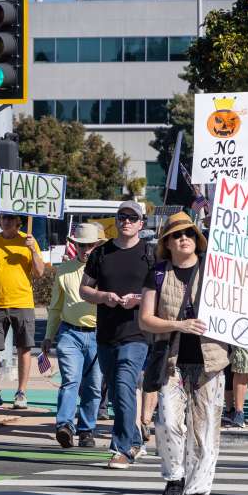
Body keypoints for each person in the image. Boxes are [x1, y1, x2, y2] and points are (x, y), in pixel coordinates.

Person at [140, 212, 235, 495]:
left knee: (205, 428)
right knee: (167, 421)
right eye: (177, 235)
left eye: (190, 234)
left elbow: (245, 303)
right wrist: (178, 326)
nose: (184, 239)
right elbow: (146, 319)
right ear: (167, 242)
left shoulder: (214, 270)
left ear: (197, 240)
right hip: (172, 360)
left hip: (211, 361)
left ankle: (198, 490)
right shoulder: (157, 273)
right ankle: (174, 478)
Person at [81, 200, 152, 469]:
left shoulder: (150, 253)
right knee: (116, 390)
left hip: (137, 332)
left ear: (141, 224)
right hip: (106, 333)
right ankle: (135, 439)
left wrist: (140, 299)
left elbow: (161, 291)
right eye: (122, 217)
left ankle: (121, 449)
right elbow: (84, 290)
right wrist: (103, 296)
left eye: (132, 218)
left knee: (123, 385)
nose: (126, 221)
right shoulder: (102, 253)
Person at [43, 223, 105, 448]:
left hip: (99, 334)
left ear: (97, 246)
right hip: (70, 333)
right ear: (75, 246)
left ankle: (86, 430)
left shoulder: (105, 268)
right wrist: (48, 336)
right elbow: (56, 307)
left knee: (94, 385)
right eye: (81, 245)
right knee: (70, 380)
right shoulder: (64, 269)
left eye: (90, 245)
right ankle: (64, 425)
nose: (86, 250)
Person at [0, 212, 44, 409]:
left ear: (18, 222)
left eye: (9, 218)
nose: (5, 221)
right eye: (3, 218)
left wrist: (32, 251)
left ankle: (21, 392)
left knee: (24, 348)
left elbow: (39, 273)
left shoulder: (29, 240)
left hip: (22, 303)